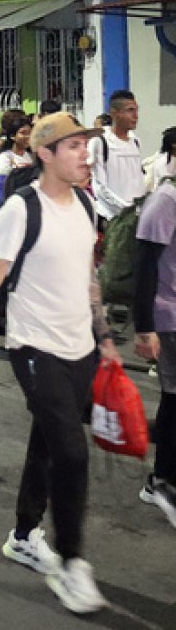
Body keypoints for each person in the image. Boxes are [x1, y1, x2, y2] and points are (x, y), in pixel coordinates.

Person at [0, 111, 119, 615]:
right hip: (33, 348)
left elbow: (88, 279)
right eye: (74, 147)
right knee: (72, 452)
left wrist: (105, 336)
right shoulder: (20, 211)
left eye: (86, 146)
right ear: (45, 154)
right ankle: (73, 565)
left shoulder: (87, 205)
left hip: (80, 349)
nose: (85, 154)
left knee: (47, 444)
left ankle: (23, 535)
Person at [133, 176, 176, 527]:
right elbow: (145, 265)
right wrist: (144, 325)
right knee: (174, 396)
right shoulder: (165, 198)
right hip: (169, 313)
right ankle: (161, 480)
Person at [88, 90, 144, 225]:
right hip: (112, 219)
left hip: (135, 218)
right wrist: (125, 209)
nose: (136, 116)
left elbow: (138, 180)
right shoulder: (100, 142)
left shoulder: (135, 142)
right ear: (114, 113)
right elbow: (100, 187)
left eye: (137, 110)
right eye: (130, 110)